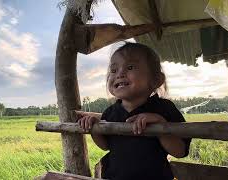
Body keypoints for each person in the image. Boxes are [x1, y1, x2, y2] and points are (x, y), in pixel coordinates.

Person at [78, 42, 191, 180]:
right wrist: (95, 128)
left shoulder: (164, 109)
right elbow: (106, 146)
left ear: (156, 80)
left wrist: (161, 125)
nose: (119, 74)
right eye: (113, 70)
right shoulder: (111, 112)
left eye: (130, 67)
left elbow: (179, 151)